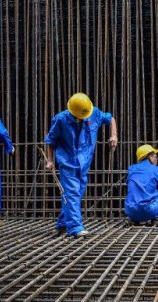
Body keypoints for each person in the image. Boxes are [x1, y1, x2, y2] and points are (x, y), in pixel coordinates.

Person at [44, 93, 117, 237]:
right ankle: (75, 228)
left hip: (84, 163)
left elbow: (111, 118)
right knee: (72, 193)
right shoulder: (61, 119)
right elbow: (50, 141)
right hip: (67, 162)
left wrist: (114, 135)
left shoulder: (94, 113)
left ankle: (63, 224)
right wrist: (50, 160)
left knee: (76, 195)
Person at [125, 144, 158, 226]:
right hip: (148, 211)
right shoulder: (157, 170)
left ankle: (133, 220)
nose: (157, 160)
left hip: (130, 211)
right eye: (155, 157)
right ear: (149, 157)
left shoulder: (131, 169)